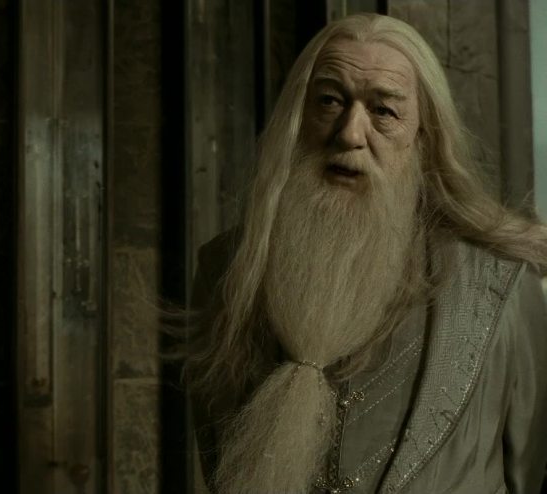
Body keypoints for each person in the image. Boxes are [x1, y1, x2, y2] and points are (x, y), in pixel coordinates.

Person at [185, 13, 547, 494]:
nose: (350, 133)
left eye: (384, 111)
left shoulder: (502, 285)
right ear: (297, 118)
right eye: (329, 101)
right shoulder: (225, 272)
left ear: (423, 138)